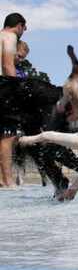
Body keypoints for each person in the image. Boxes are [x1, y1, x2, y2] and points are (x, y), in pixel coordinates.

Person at [1, 12, 26, 188]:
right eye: (24, 28)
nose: (24, 31)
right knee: (7, 136)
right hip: (2, 87)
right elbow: (7, 64)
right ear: (18, 25)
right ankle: (7, 181)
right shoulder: (10, 36)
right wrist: (17, 90)